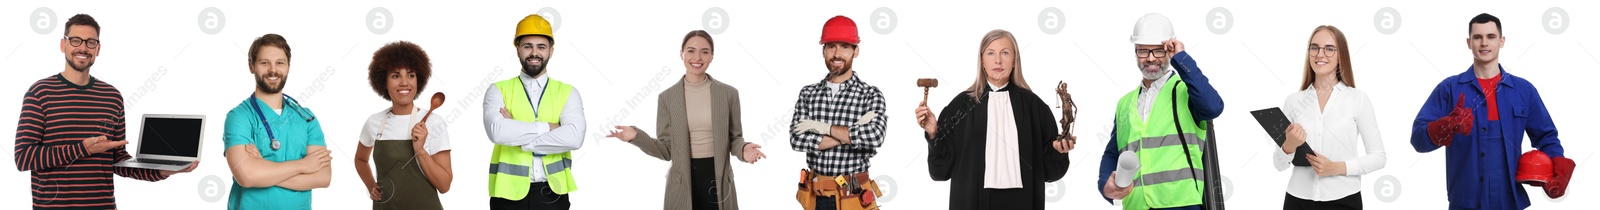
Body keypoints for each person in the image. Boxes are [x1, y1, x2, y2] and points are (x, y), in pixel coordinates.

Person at [12, 13, 198, 209]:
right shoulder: (40, 93)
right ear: (63, 45)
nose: (83, 47)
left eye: (90, 42)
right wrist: (83, 149)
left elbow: (118, 160)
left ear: (98, 49)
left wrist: (162, 171)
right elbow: (24, 158)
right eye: (75, 40)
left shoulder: (112, 96)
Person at [1409, 13, 1571, 210]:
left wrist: (1557, 170)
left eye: (1491, 37)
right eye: (1477, 37)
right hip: (1464, 201)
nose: (1484, 43)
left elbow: (1547, 137)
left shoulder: (1524, 91)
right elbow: (1418, 140)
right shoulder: (1449, 89)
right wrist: (1446, 126)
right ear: (1469, 43)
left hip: (1509, 200)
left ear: (1502, 41)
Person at [605, 30, 767, 210]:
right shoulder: (667, 97)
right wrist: (636, 136)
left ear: (712, 56)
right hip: (682, 183)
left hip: (719, 180)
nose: (697, 57)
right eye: (691, 50)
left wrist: (743, 149)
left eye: (705, 51)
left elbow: (735, 138)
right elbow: (667, 150)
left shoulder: (729, 94)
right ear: (681, 54)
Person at [914, 29, 1073, 210]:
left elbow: (1049, 169)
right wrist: (934, 133)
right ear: (982, 61)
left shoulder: (1034, 107)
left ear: (1015, 60)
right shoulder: (961, 106)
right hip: (972, 202)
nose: (998, 60)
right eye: (991, 53)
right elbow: (940, 171)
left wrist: (1059, 150)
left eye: (1005, 53)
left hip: (1022, 201)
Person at [1096, 13, 1225, 210]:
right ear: (1135, 52)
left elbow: (1213, 107)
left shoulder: (1186, 91)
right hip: (1136, 205)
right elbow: (1112, 152)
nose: (1150, 58)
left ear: (1168, 51)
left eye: (1158, 51)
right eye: (1143, 51)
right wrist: (1105, 183)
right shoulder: (1125, 103)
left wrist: (1181, 58)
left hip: (1181, 205)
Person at [1274, 25, 1386, 210]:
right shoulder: (1294, 101)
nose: (1320, 54)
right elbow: (1278, 165)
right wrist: (1289, 146)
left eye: (1329, 49)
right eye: (1314, 47)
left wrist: (1336, 167)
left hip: (1344, 200)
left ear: (1340, 54)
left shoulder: (1358, 99)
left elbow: (1378, 157)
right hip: (1297, 200)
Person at [483, 14, 587, 210]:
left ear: (551, 51)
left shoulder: (568, 92)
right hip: (507, 195)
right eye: (527, 46)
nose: (534, 52)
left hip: (553, 193)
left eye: (541, 46)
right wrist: (551, 127)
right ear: (518, 49)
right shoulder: (498, 89)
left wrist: (518, 136)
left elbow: (574, 138)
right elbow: (497, 132)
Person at [222, 33, 333, 210]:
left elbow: (323, 177)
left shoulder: (306, 117)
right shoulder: (239, 117)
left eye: (280, 63)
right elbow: (247, 176)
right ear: (251, 66)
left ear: (288, 67)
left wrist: (265, 169)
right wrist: (304, 165)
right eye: (264, 63)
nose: (273, 70)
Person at [790, 15, 889, 210]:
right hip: (816, 196)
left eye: (844, 46)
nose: (837, 54)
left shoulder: (870, 95)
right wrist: (853, 132)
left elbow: (875, 136)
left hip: (854, 195)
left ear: (856, 51)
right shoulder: (808, 93)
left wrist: (821, 128)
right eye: (831, 46)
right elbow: (797, 140)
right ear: (823, 51)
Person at [354, 41, 453, 210]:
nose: (404, 82)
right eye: (395, 75)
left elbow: (444, 185)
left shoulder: (434, 122)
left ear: (418, 79)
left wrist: (420, 150)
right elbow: (360, 159)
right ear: (384, 82)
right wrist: (371, 185)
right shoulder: (374, 123)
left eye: (411, 75)